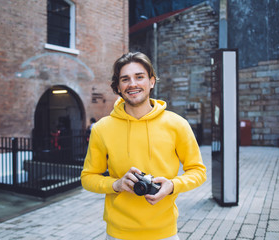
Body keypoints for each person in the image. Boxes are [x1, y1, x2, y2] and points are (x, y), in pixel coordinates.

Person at [81, 52, 206, 240]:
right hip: (118, 234)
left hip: (164, 233)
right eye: (125, 79)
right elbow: (88, 177)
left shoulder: (177, 124)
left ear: (152, 81)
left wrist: (173, 185)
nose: (133, 84)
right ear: (118, 86)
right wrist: (116, 184)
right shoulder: (101, 129)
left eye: (139, 77)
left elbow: (198, 171)